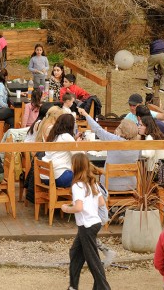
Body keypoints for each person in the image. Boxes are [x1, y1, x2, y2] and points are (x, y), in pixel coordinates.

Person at [61, 153, 111, 290]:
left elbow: (78, 207)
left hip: (86, 226)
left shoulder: (77, 185)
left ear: (75, 166)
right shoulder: (91, 182)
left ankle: (103, 287)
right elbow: (101, 202)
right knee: (75, 253)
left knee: (92, 260)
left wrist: (66, 208)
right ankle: (73, 286)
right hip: (94, 223)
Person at [78, 107, 140, 191]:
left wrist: (85, 114)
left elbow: (98, 129)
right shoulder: (138, 145)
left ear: (121, 131)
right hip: (131, 185)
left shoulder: (114, 140)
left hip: (110, 184)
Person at [40, 114, 81, 188]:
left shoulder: (53, 136)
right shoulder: (66, 136)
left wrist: (74, 140)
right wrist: (80, 144)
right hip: (59, 177)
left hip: (45, 176)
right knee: (84, 176)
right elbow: (79, 156)